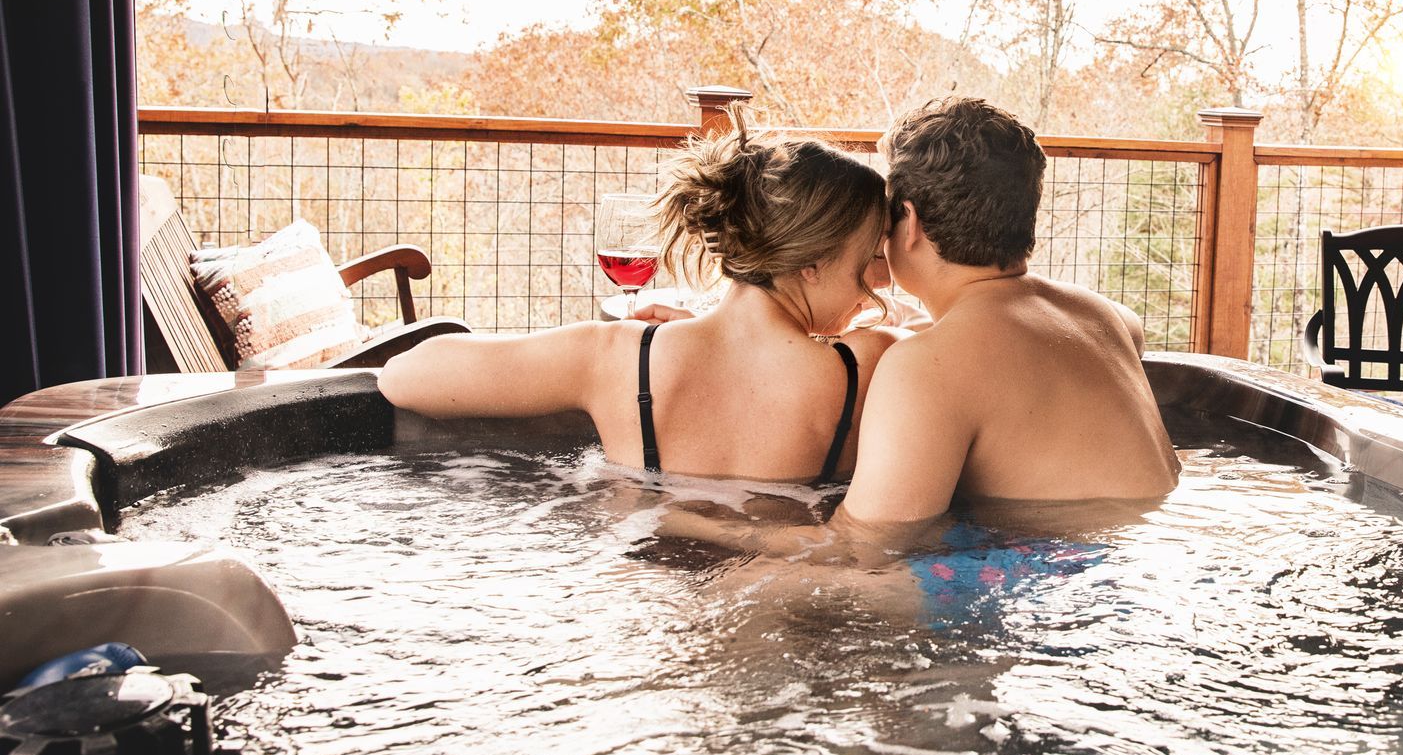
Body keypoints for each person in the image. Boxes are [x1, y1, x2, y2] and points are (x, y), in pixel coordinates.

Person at [651, 96, 1179, 567]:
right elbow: (993, 351)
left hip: (1048, 577)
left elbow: (861, 546)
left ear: (910, 220)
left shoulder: (928, 366)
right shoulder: (1110, 319)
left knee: (741, 592)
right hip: (1142, 559)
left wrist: (685, 521)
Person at [379, 112, 901, 481]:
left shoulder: (619, 358)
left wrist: (674, 335)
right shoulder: (874, 363)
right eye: (871, 258)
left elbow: (403, 377)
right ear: (811, 262)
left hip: (651, 600)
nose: (880, 281)